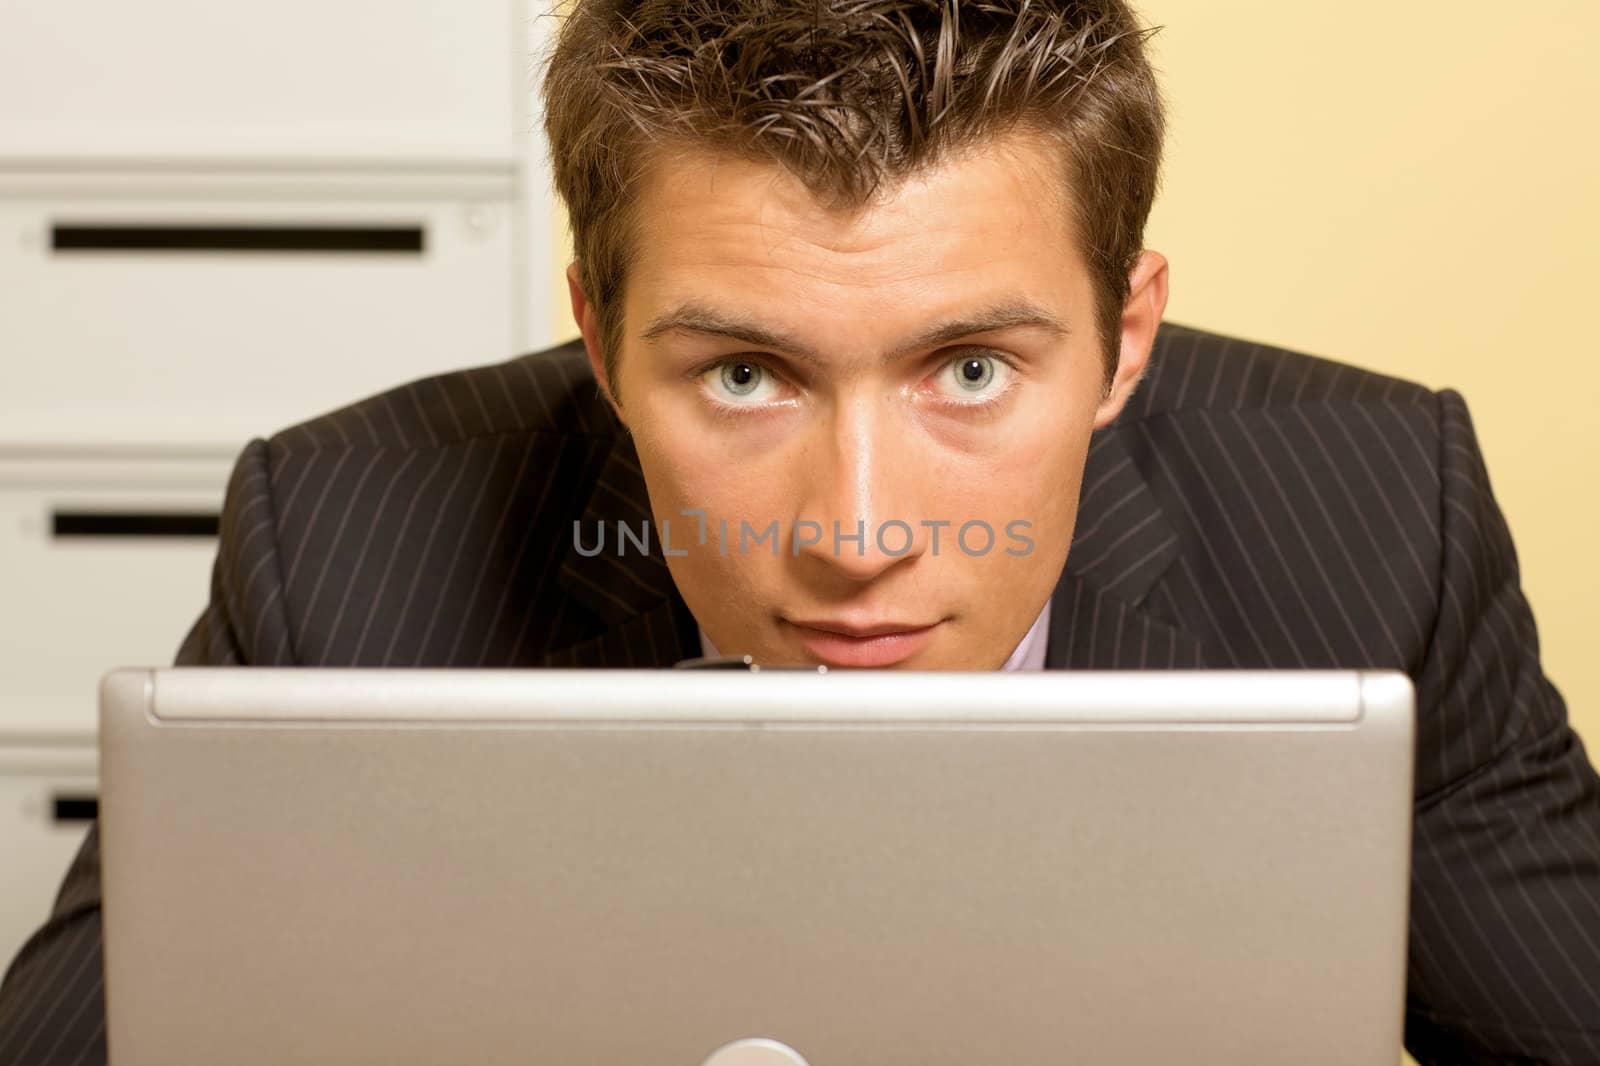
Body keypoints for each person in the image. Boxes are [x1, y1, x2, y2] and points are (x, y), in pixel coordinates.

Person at [3, 1, 1599, 1062]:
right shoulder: (343, 537)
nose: (858, 530)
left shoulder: (1381, 514)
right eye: (745, 373)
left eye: (970, 370)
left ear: (1125, 340)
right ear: (598, 337)